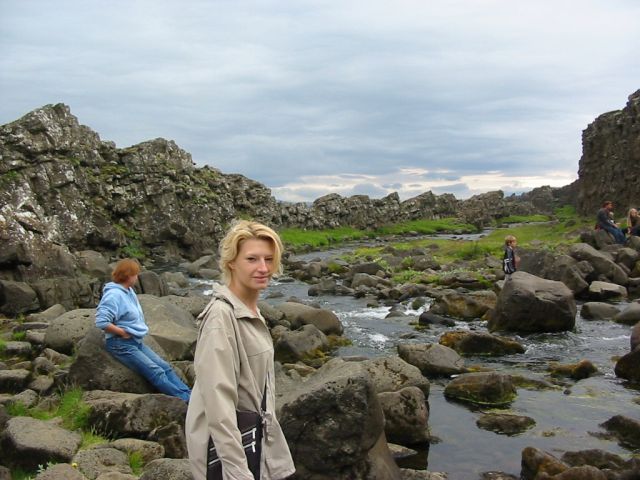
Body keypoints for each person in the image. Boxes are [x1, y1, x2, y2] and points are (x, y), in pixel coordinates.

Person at [186, 221, 295, 480]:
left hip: (255, 444)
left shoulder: (251, 311)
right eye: (252, 259)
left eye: (269, 259)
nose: (263, 268)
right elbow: (218, 405)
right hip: (231, 457)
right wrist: (237, 472)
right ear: (231, 262)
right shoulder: (221, 317)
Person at [95, 258, 191, 402]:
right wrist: (122, 333)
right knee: (156, 371)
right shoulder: (113, 295)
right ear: (127, 275)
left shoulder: (128, 291)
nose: (137, 277)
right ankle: (185, 399)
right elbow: (101, 321)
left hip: (135, 341)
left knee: (164, 366)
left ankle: (190, 395)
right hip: (120, 344)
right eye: (135, 274)